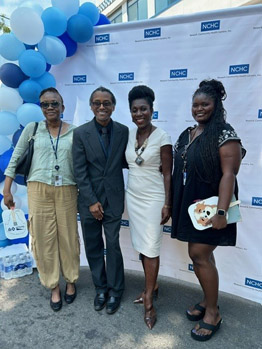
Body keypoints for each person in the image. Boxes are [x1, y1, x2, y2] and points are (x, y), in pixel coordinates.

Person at [171, 80, 246, 341]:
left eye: (205, 104)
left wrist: (222, 213)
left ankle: (212, 312)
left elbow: (229, 175)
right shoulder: (187, 133)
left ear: (216, 106)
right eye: (195, 104)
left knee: (198, 254)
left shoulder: (225, 134)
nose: (199, 108)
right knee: (202, 256)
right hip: (192, 206)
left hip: (213, 207)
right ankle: (207, 298)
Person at [4, 87, 80, 311]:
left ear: (62, 107)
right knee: (44, 239)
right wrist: (7, 189)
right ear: (40, 108)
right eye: (45, 104)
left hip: (66, 189)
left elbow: (82, 165)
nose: (50, 108)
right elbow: (16, 158)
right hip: (38, 190)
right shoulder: (32, 129)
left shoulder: (75, 132)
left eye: (54, 103)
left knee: (68, 237)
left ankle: (71, 281)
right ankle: (53, 285)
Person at [72, 86, 128, 315]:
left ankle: (116, 290)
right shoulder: (80, 133)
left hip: (114, 198)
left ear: (113, 106)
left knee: (113, 245)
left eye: (106, 103)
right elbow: (79, 170)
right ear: (91, 106)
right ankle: (101, 288)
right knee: (94, 245)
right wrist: (92, 201)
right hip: (88, 200)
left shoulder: (124, 131)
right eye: (97, 103)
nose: (102, 107)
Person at [125, 85, 173, 329]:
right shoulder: (130, 135)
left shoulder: (162, 136)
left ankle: (149, 304)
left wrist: (167, 202)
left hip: (154, 199)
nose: (139, 113)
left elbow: (168, 173)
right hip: (133, 197)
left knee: (152, 248)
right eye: (134, 110)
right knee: (143, 246)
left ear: (152, 110)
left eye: (143, 109)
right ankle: (151, 287)